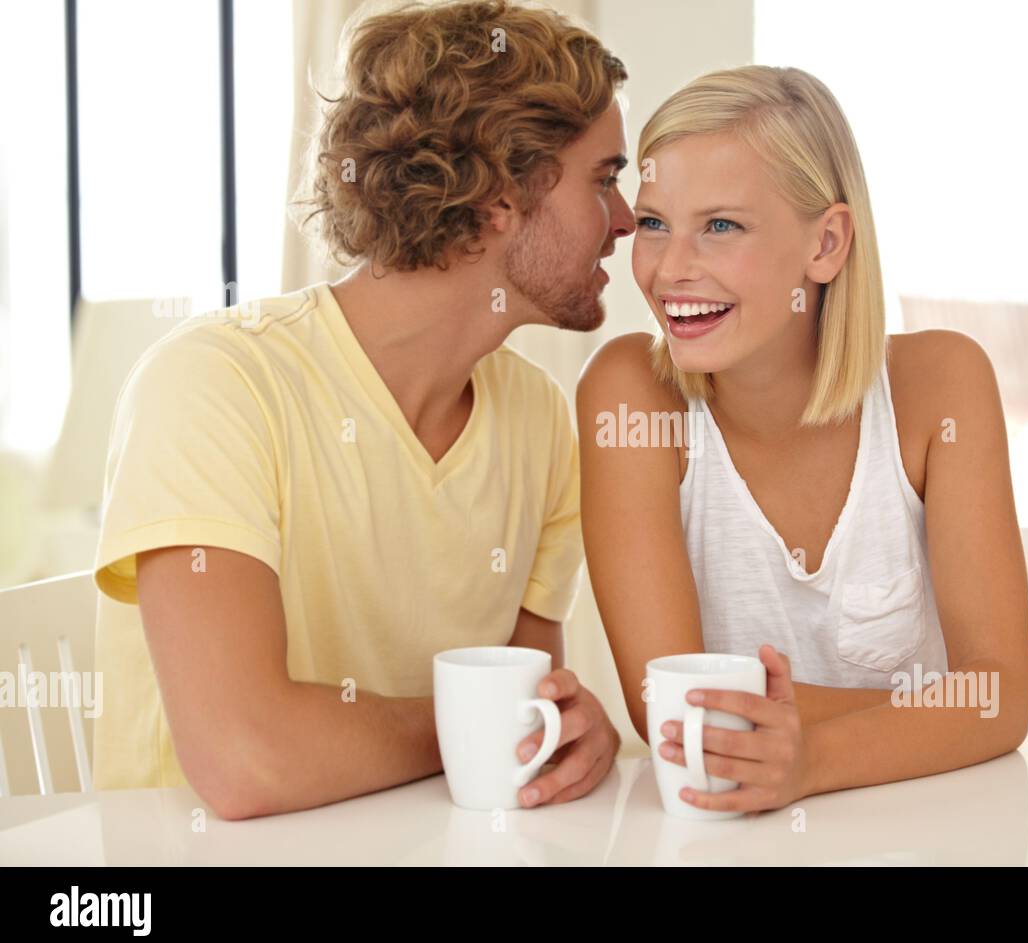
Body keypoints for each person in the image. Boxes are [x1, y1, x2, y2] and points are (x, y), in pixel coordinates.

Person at [92, 0, 633, 818]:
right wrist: (483, 726)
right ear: (497, 198)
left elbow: (524, 737)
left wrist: (554, 734)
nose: (626, 221)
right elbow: (246, 759)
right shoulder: (215, 385)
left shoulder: (540, 421)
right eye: (605, 180)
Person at [578, 65, 1028, 815]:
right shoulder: (629, 394)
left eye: (721, 225)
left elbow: (998, 695)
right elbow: (671, 708)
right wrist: (920, 717)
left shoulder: (943, 384)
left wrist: (809, 756)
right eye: (655, 222)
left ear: (826, 244)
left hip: (927, 828)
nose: (670, 269)